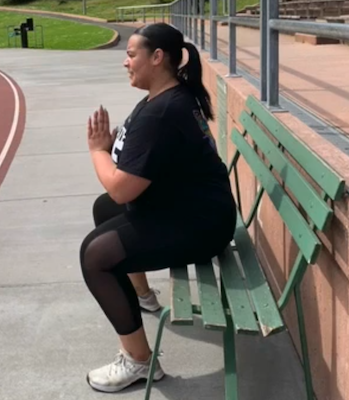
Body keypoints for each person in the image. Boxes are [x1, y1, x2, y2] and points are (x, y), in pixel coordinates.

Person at [81, 22, 237, 393]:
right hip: (196, 209)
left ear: (157, 57)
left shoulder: (163, 111)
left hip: (202, 225)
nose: (125, 62)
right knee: (104, 211)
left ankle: (136, 361)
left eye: (131, 54)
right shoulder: (168, 96)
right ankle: (142, 296)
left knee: (95, 256)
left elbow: (121, 188)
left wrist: (97, 150)